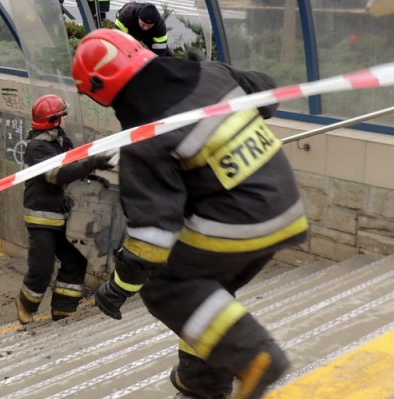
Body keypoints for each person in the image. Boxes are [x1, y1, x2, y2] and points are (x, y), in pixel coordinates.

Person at [72, 29, 309, 399]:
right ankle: (202, 382)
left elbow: (152, 239)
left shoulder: (145, 135)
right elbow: (267, 94)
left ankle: (254, 359)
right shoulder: (212, 73)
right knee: (209, 298)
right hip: (285, 205)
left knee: (171, 287)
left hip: (237, 222)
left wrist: (119, 287)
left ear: (99, 91)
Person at [16, 94, 117, 325]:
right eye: (63, 115)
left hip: (64, 215)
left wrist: (94, 175)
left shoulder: (61, 141)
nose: (65, 119)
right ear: (54, 120)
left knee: (75, 259)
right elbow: (56, 175)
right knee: (42, 268)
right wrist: (92, 163)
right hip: (42, 218)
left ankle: (63, 310)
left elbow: (72, 168)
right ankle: (26, 304)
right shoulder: (37, 147)